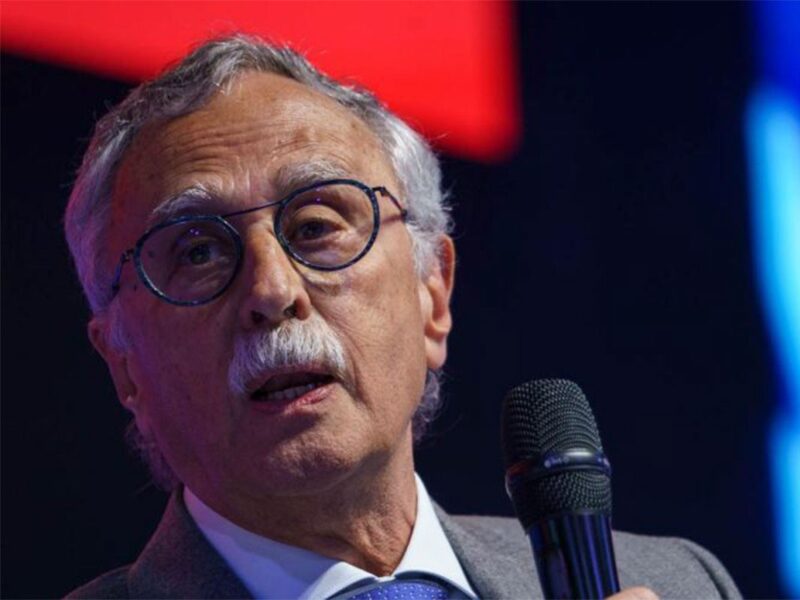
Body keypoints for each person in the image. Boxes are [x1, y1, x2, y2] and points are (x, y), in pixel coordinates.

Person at [63, 35, 739, 599]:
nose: (272, 289)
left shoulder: (682, 583)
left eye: (316, 226)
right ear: (123, 365)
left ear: (432, 293)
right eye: (199, 252)